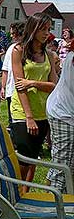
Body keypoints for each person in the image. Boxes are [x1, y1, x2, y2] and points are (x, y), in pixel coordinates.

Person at [10, 13, 57, 193]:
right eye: (43, 29)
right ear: (33, 29)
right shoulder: (18, 50)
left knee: (33, 157)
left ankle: (25, 193)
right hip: (23, 111)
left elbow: (53, 86)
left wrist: (34, 83)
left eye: (49, 29)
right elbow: (19, 85)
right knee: (23, 158)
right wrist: (29, 117)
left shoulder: (49, 55)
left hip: (42, 111)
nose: (47, 33)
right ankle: (13, 193)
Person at [46, 46, 74, 193]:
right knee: (62, 166)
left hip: (64, 110)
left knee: (66, 163)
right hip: (64, 114)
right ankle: (53, 209)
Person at [0, 22, 25, 127]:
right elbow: (5, 70)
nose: (11, 36)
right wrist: (3, 87)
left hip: (25, 87)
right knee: (13, 119)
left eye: (13, 33)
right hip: (12, 89)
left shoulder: (29, 48)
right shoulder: (12, 48)